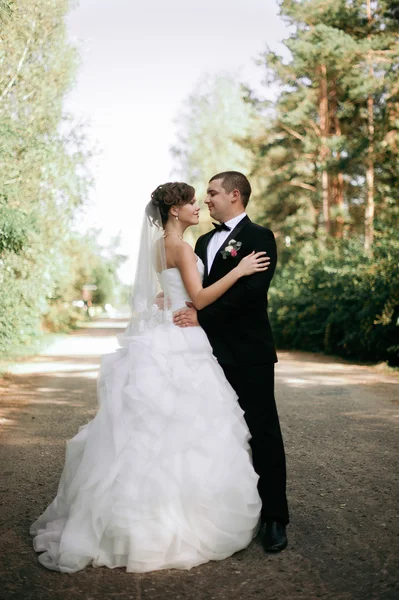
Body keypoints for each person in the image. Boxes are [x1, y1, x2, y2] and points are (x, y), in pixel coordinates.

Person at [30, 182, 270, 574]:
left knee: (155, 433)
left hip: (167, 330)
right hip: (184, 340)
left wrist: (169, 300)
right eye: (192, 201)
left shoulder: (160, 247)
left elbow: (170, 292)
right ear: (174, 211)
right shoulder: (179, 246)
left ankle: (134, 517)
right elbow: (202, 297)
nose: (198, 206)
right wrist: (240, 270)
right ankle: (172, 519)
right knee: (186, 430)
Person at [173, 171, 289, 552]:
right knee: (214, 433)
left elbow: (251, 294)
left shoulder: (260, 237)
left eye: (212, 193)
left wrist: (202, 315)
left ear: (234, 195)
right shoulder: (204, 241)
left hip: (248, 352)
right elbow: (196, 291)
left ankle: (275, 517)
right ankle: (225, 513)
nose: (207, 200)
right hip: (205, 355)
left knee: (263, 432)